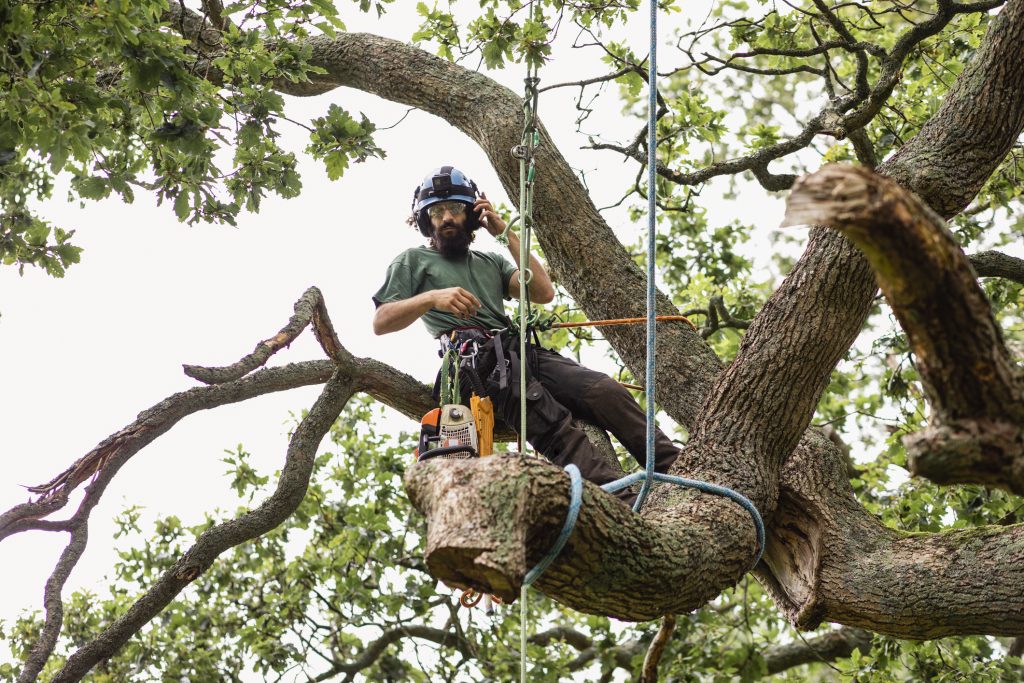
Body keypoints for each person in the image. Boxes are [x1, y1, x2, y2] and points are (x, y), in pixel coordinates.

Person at [372, 166, 677, 505]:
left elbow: (542, 290)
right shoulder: (413, 260)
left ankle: (674, 466)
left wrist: (503, 231)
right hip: (475, 360)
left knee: (605, 390)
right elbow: (382, 321)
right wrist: (432, 297)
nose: (446, 217)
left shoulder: (489, 261)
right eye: (436, 212)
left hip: (517, 350)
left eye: (456, 210)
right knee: (547, 415)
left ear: (471, 216)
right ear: (426, 221)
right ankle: (619, 498)